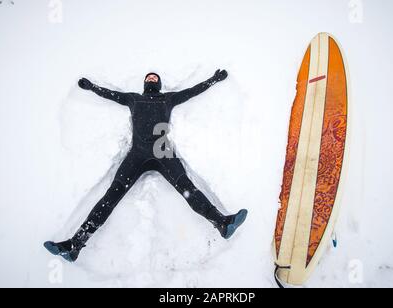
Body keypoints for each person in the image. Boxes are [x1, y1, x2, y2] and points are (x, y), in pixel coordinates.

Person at [44, 70, 248, 262]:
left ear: (158, 84)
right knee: (111, 196)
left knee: (188, 188)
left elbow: (192, 91)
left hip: (163, 152)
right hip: (137, 154)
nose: (151, 79)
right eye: (148, 77)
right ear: (144, 83)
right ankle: (75, 244)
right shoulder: (133, 98)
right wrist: (92, 87)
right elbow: (111, 95)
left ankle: (222, 222)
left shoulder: (168, 98)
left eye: (154, 78)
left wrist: (213, 79)